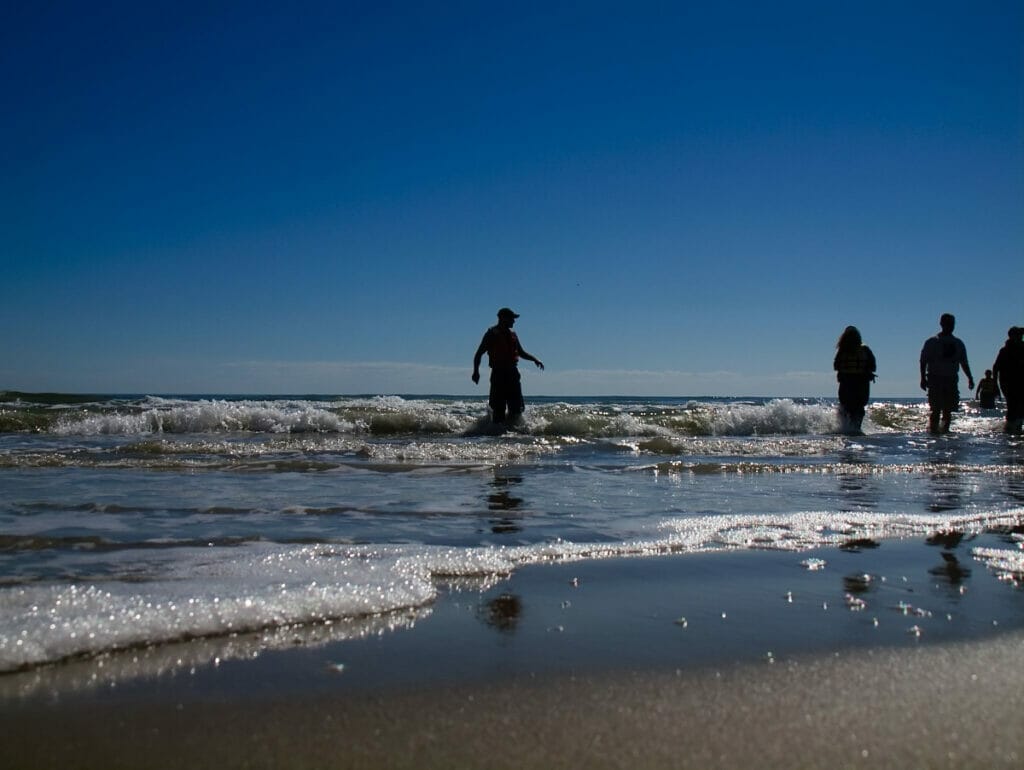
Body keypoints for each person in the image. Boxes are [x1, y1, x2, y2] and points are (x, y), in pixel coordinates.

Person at [472, 308, 544, 424]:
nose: (514, 322)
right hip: (498, 374)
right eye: (512, 319)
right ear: (503, 318)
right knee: (498, 409)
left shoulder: (513, 335)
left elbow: (521, 352)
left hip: (513, 374)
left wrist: (534, 359)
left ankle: (512, 435)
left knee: (516, 409)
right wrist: (476, 372)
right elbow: (479, 354)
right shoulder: (491, 334)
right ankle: (497, 435)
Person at [919, 313, 974, 434]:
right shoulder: (932, 342)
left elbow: (964, 362)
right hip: (935, 378)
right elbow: (923, 361)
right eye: (947, 323)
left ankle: (945, 431)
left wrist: (970, 378)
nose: (950, 326)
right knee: (935, 409)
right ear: (941, 324)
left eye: (952, 324)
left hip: (951, 379)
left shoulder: (958, 343)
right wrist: (923, 378)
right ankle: (933, 432)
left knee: (948, 410)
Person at [833, 326, 876, 434]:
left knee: (846, 408)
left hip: (846, 383)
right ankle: (856, 429)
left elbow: (836, 365)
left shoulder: (841, 351)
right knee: (859, 408)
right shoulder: (865, 349)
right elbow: (873, 366)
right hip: (861, 383)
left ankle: (846, 428)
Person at [992, 326, 1024, 434]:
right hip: (1008, 383)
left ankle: (1017, 429)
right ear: (1012, 337)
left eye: (1021, 335)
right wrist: (995, 384)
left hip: (1020, 382)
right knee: (1012, 405)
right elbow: (996, 367)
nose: (1020, 338)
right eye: (1018, 335)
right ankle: (1009, 430)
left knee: (1020, 406)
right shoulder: (1005, 351)